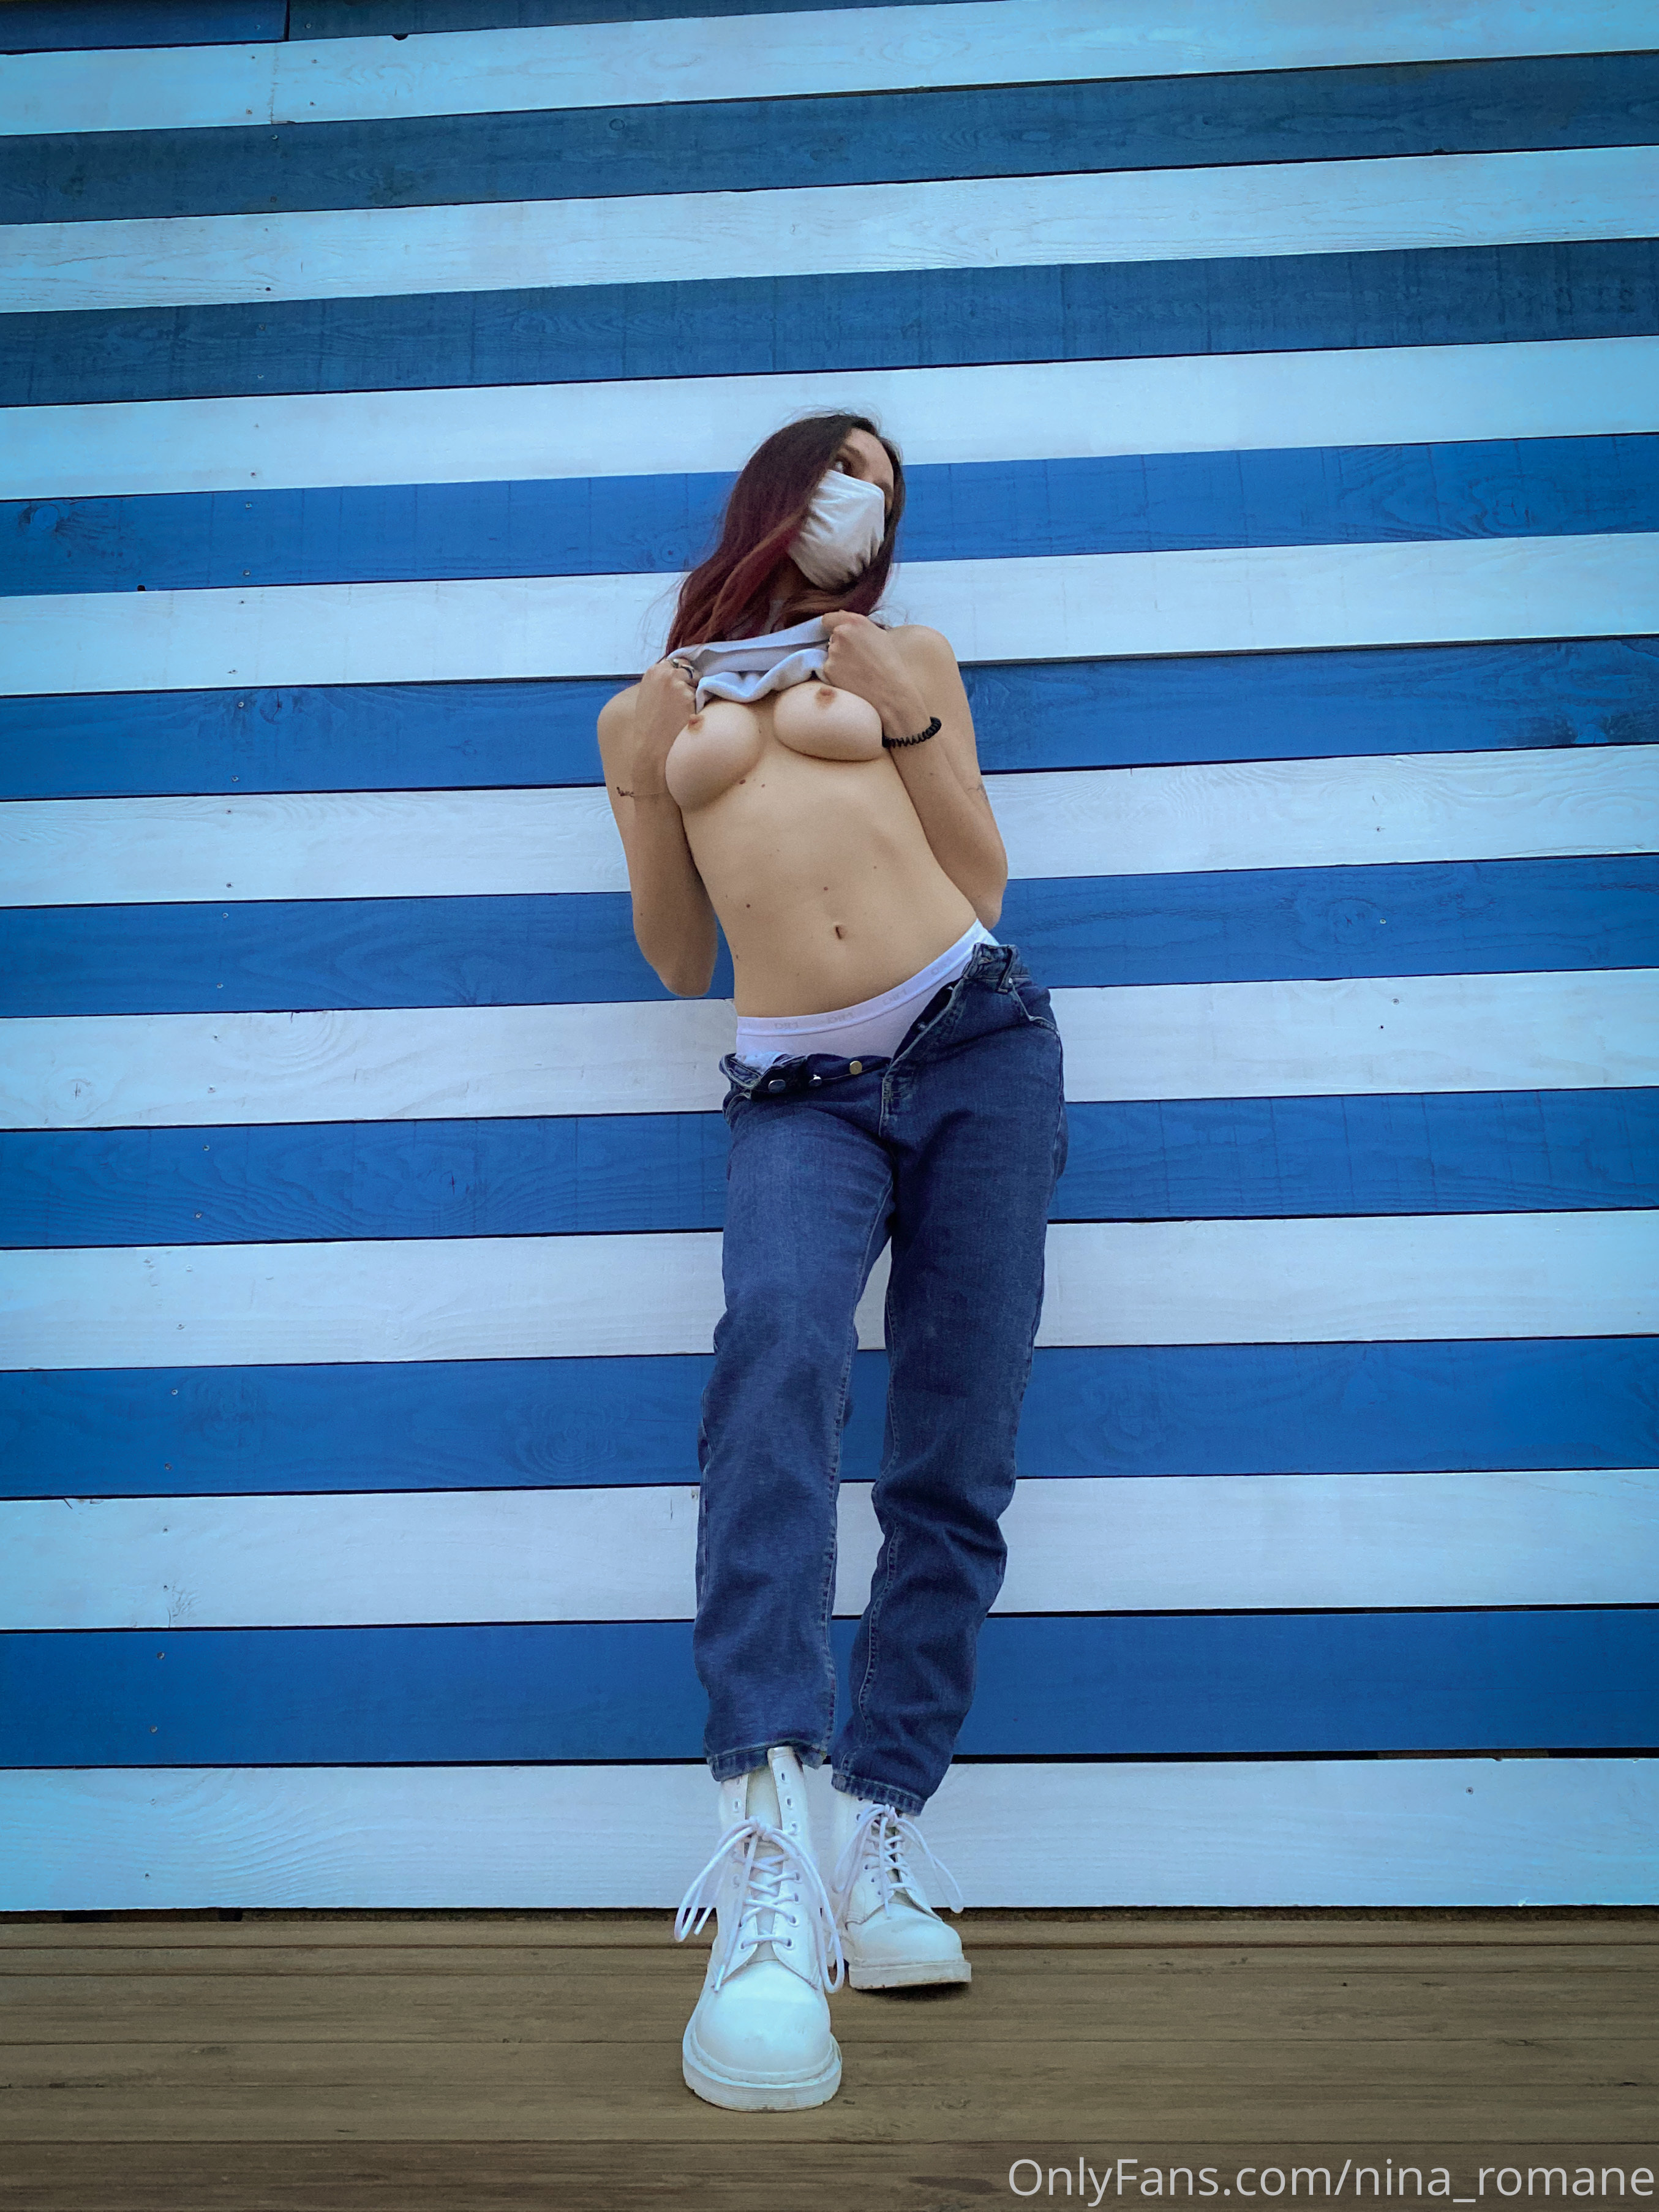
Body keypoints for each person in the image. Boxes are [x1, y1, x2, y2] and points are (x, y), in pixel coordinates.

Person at [597, 412, 1067, 2110]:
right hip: (797, 1089)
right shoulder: (645, 712)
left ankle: (881, 1829)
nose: (860, 498)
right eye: (838, 468)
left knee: (956, 1439)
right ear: (776, 495)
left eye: (884, 483)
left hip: (978, 1043)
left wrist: (905, 707)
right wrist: (650, 767)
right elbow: (677, 957)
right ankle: (767, 1843)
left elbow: (982, 871)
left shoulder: (907, 654)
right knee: (779, 1362)